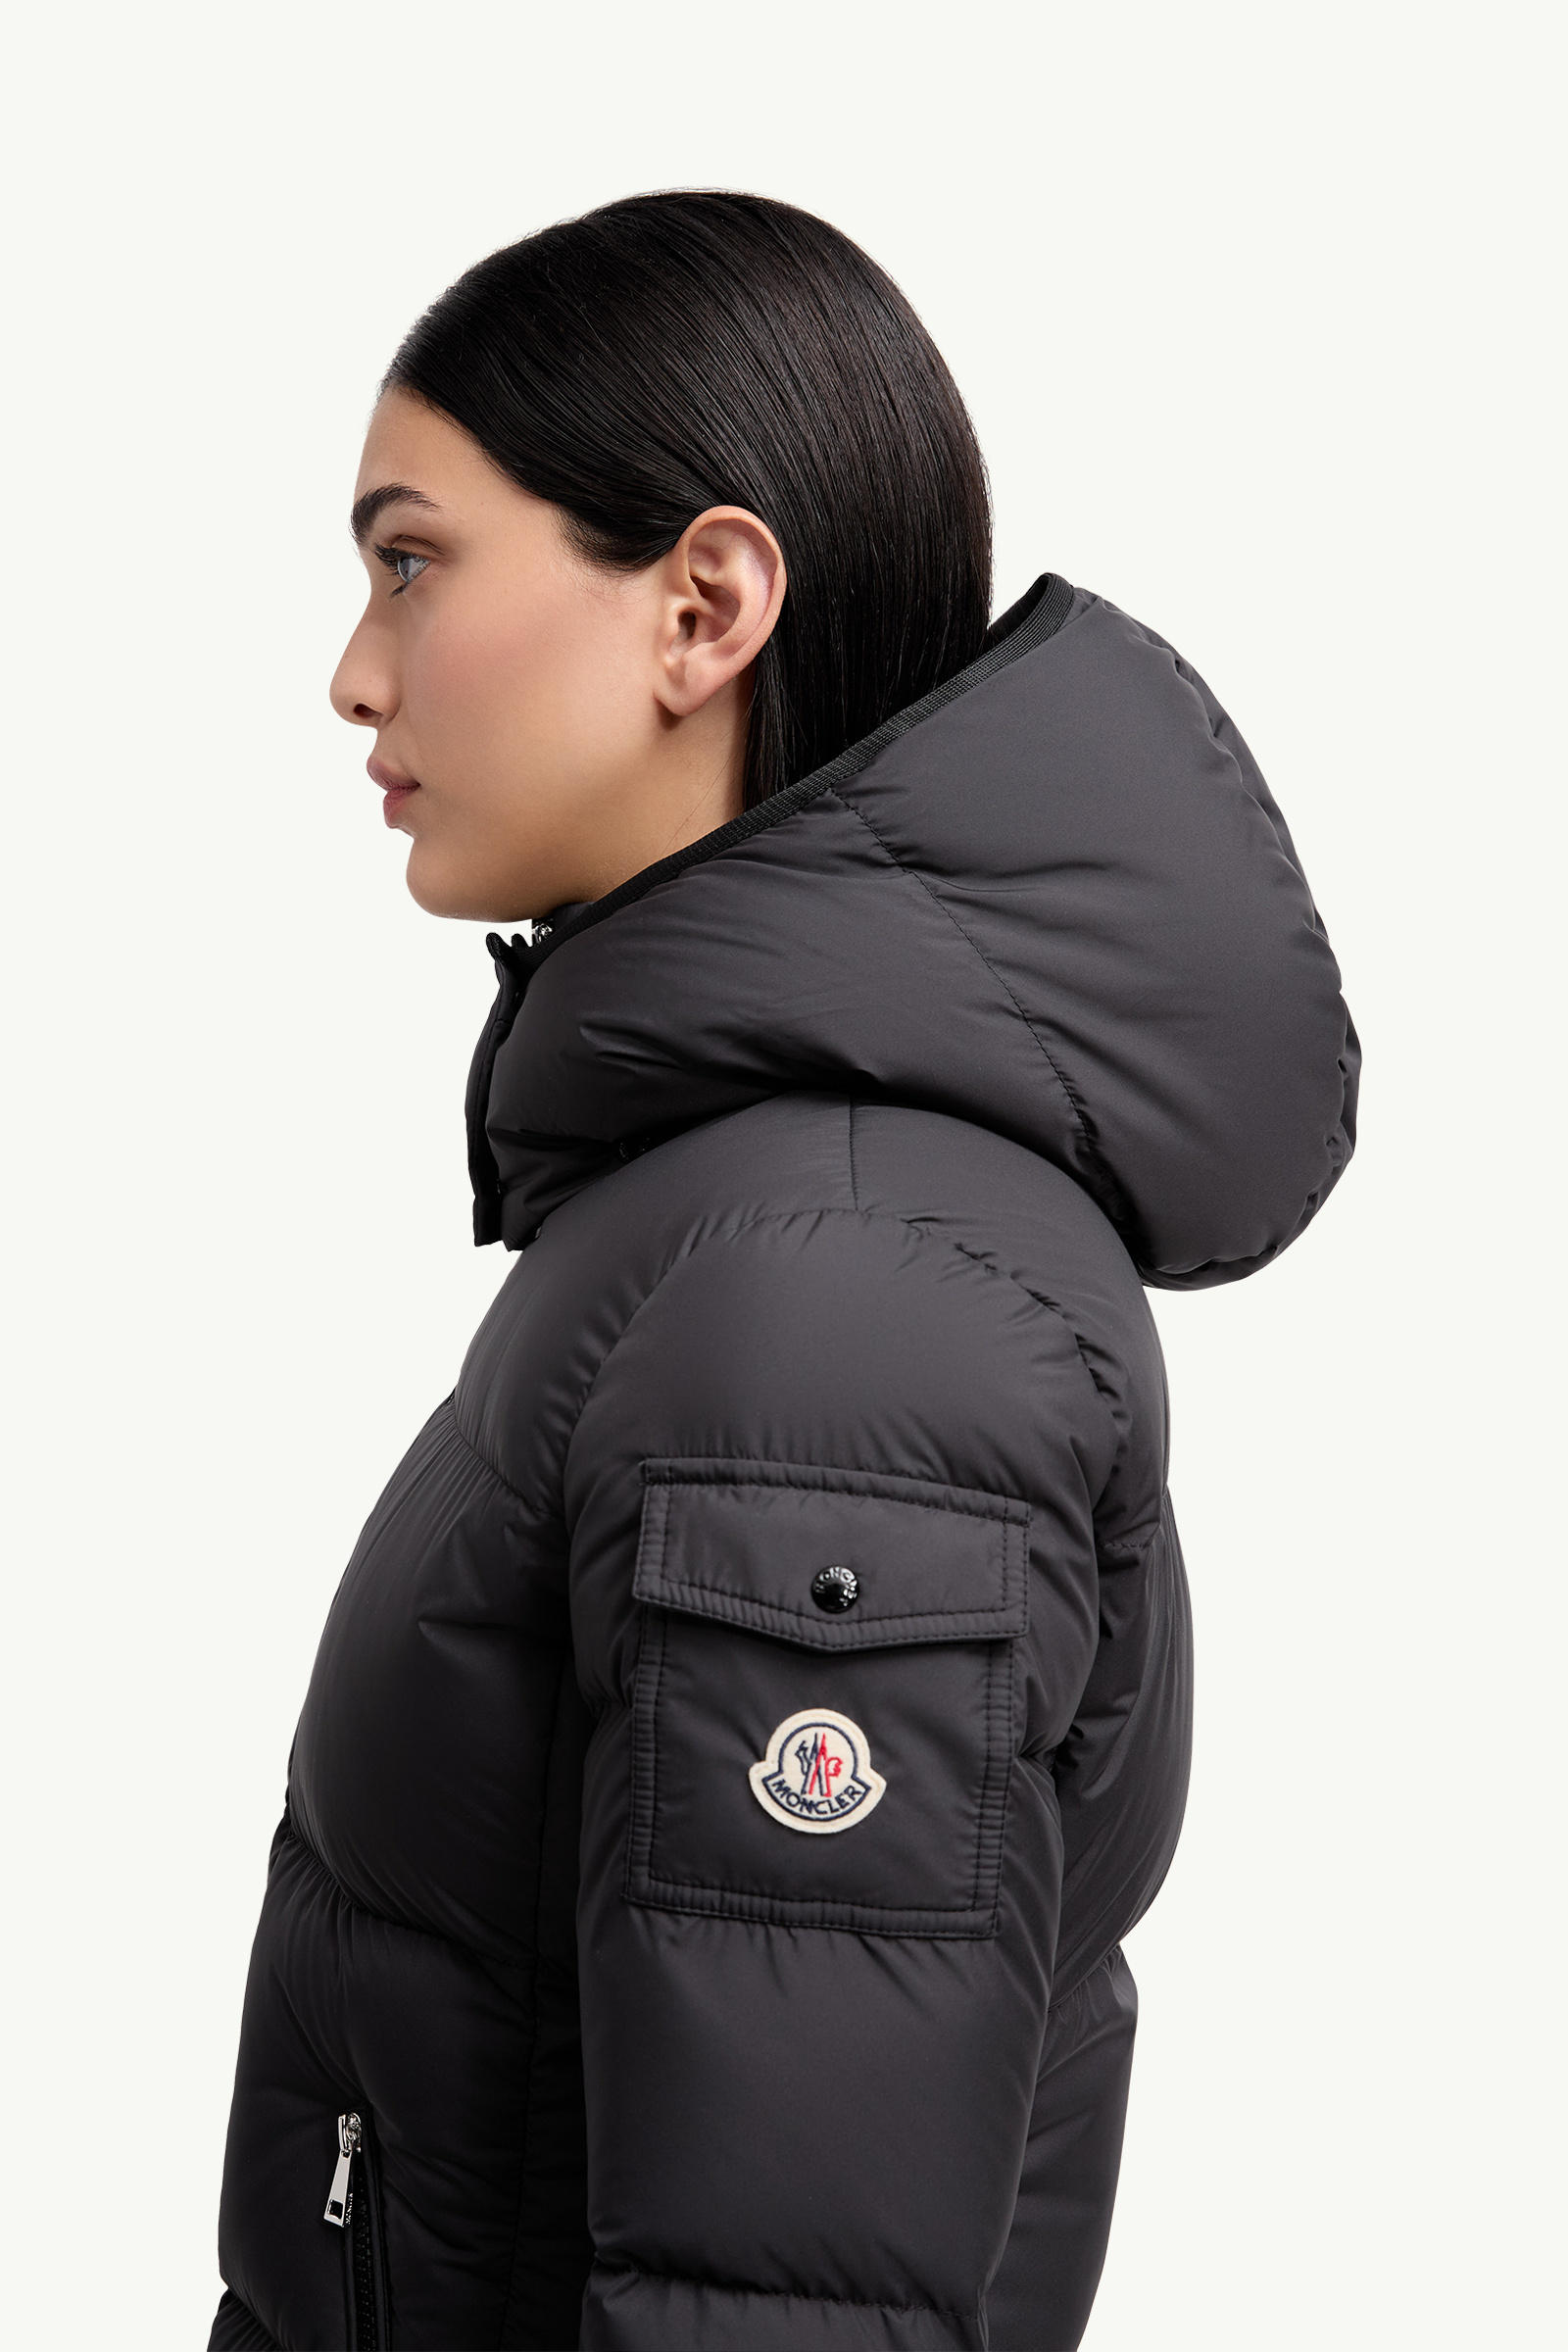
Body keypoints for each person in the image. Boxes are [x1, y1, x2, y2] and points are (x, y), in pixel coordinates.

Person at [205, 188, 1359, 2352]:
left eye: (411, 560)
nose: (355, 671)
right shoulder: (749, 1223)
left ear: (703, 605)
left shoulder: (829, 1311)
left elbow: (782, 2309)